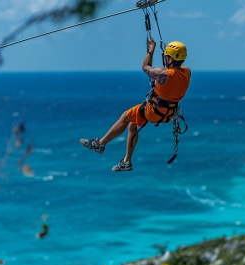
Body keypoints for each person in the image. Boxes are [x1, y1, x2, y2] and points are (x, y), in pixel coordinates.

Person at [80, 38, 191, 171]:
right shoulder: (187, 72)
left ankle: (100, 144)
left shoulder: (163, 74)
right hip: (168, 114)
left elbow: (145, 67)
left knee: (125, 116)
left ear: (170, 58)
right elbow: (173, 70)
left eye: (166, 56)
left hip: (153, 111)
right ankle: (126, 161)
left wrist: (151, 49)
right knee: (133, 125)